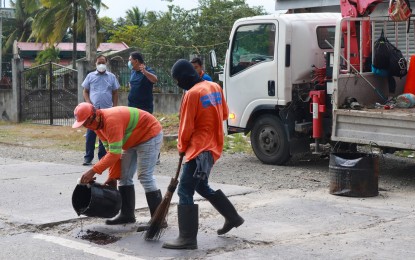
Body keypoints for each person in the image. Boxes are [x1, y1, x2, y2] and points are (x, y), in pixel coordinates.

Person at [162, 60, 244, 250]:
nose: (177, 84)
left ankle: (187, 238)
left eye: (177, 80)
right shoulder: (214, 86)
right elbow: (224, 114)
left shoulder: (192, 94)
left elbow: (186, 126)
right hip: (214, 146)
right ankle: (233, 217)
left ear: (183, 77)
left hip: (198, 150)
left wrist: (182, 147)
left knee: (184, 191)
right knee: (200, 186)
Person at [73, 103, 164, 229]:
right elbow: (111, 152)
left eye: (86, 123)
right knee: (124, 176)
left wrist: (93, 171)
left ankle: (158, 221)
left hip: (149, 134)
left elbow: (115, 154)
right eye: (83, 124)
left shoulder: (111, 120)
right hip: (132, 140)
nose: (85, 126)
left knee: (145, 177)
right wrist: (113, 177)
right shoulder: (97, 127)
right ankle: (127, 215)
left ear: (94, 116)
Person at [81, 55, 120, 166]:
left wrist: (115, 107)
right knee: (90, 135)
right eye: (99, 63)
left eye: (103, 62)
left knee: (104, 135)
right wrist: (88, 103)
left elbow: (115, 92)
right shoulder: (90, 76)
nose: (101, 64)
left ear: (106, 63)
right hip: (93, 111)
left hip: (107, 111)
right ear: (96, 64)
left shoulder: (111, 77)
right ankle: (88, 157)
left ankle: (102, 158)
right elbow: (85, 91)